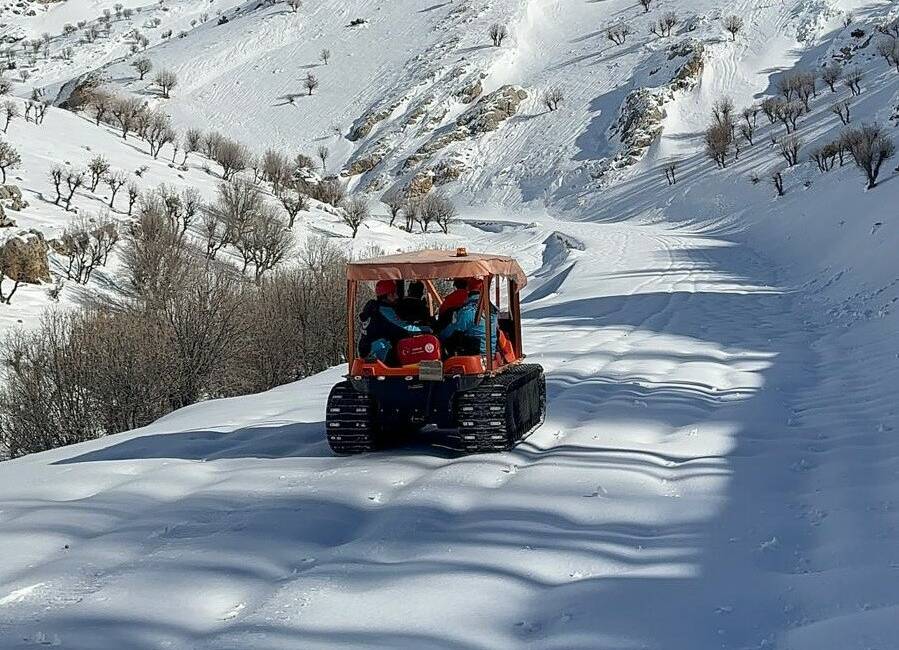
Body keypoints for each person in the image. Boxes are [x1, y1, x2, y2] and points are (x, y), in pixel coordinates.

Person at [358, 280, 431, 363]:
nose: (397, 297)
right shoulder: (384, 310)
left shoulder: (373, 308)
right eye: (394, 293)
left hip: (369, 349)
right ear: (387, 295)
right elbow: (404, 328)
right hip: (378, 351)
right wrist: (426, 329)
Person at [439, 277, 498, 356]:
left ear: (469, 292)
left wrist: (441, 335)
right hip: (490, 352)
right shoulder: (492, 311)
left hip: (475, 353)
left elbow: (454, 329)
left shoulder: (468, 311)